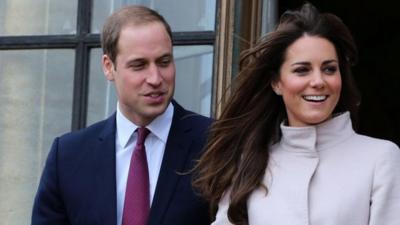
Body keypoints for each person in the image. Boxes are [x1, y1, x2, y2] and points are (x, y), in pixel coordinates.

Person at [193, 3, 400, 225]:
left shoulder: (380, 158)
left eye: (329, 69)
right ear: (276, 83)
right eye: (302, 70)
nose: (318, 81)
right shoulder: (251, 164)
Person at [31, 5, 211, 225]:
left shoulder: (217, 144)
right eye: (139, 65)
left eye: (164, 62)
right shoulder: (68, 157)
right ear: (109, 67)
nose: (155, 78)